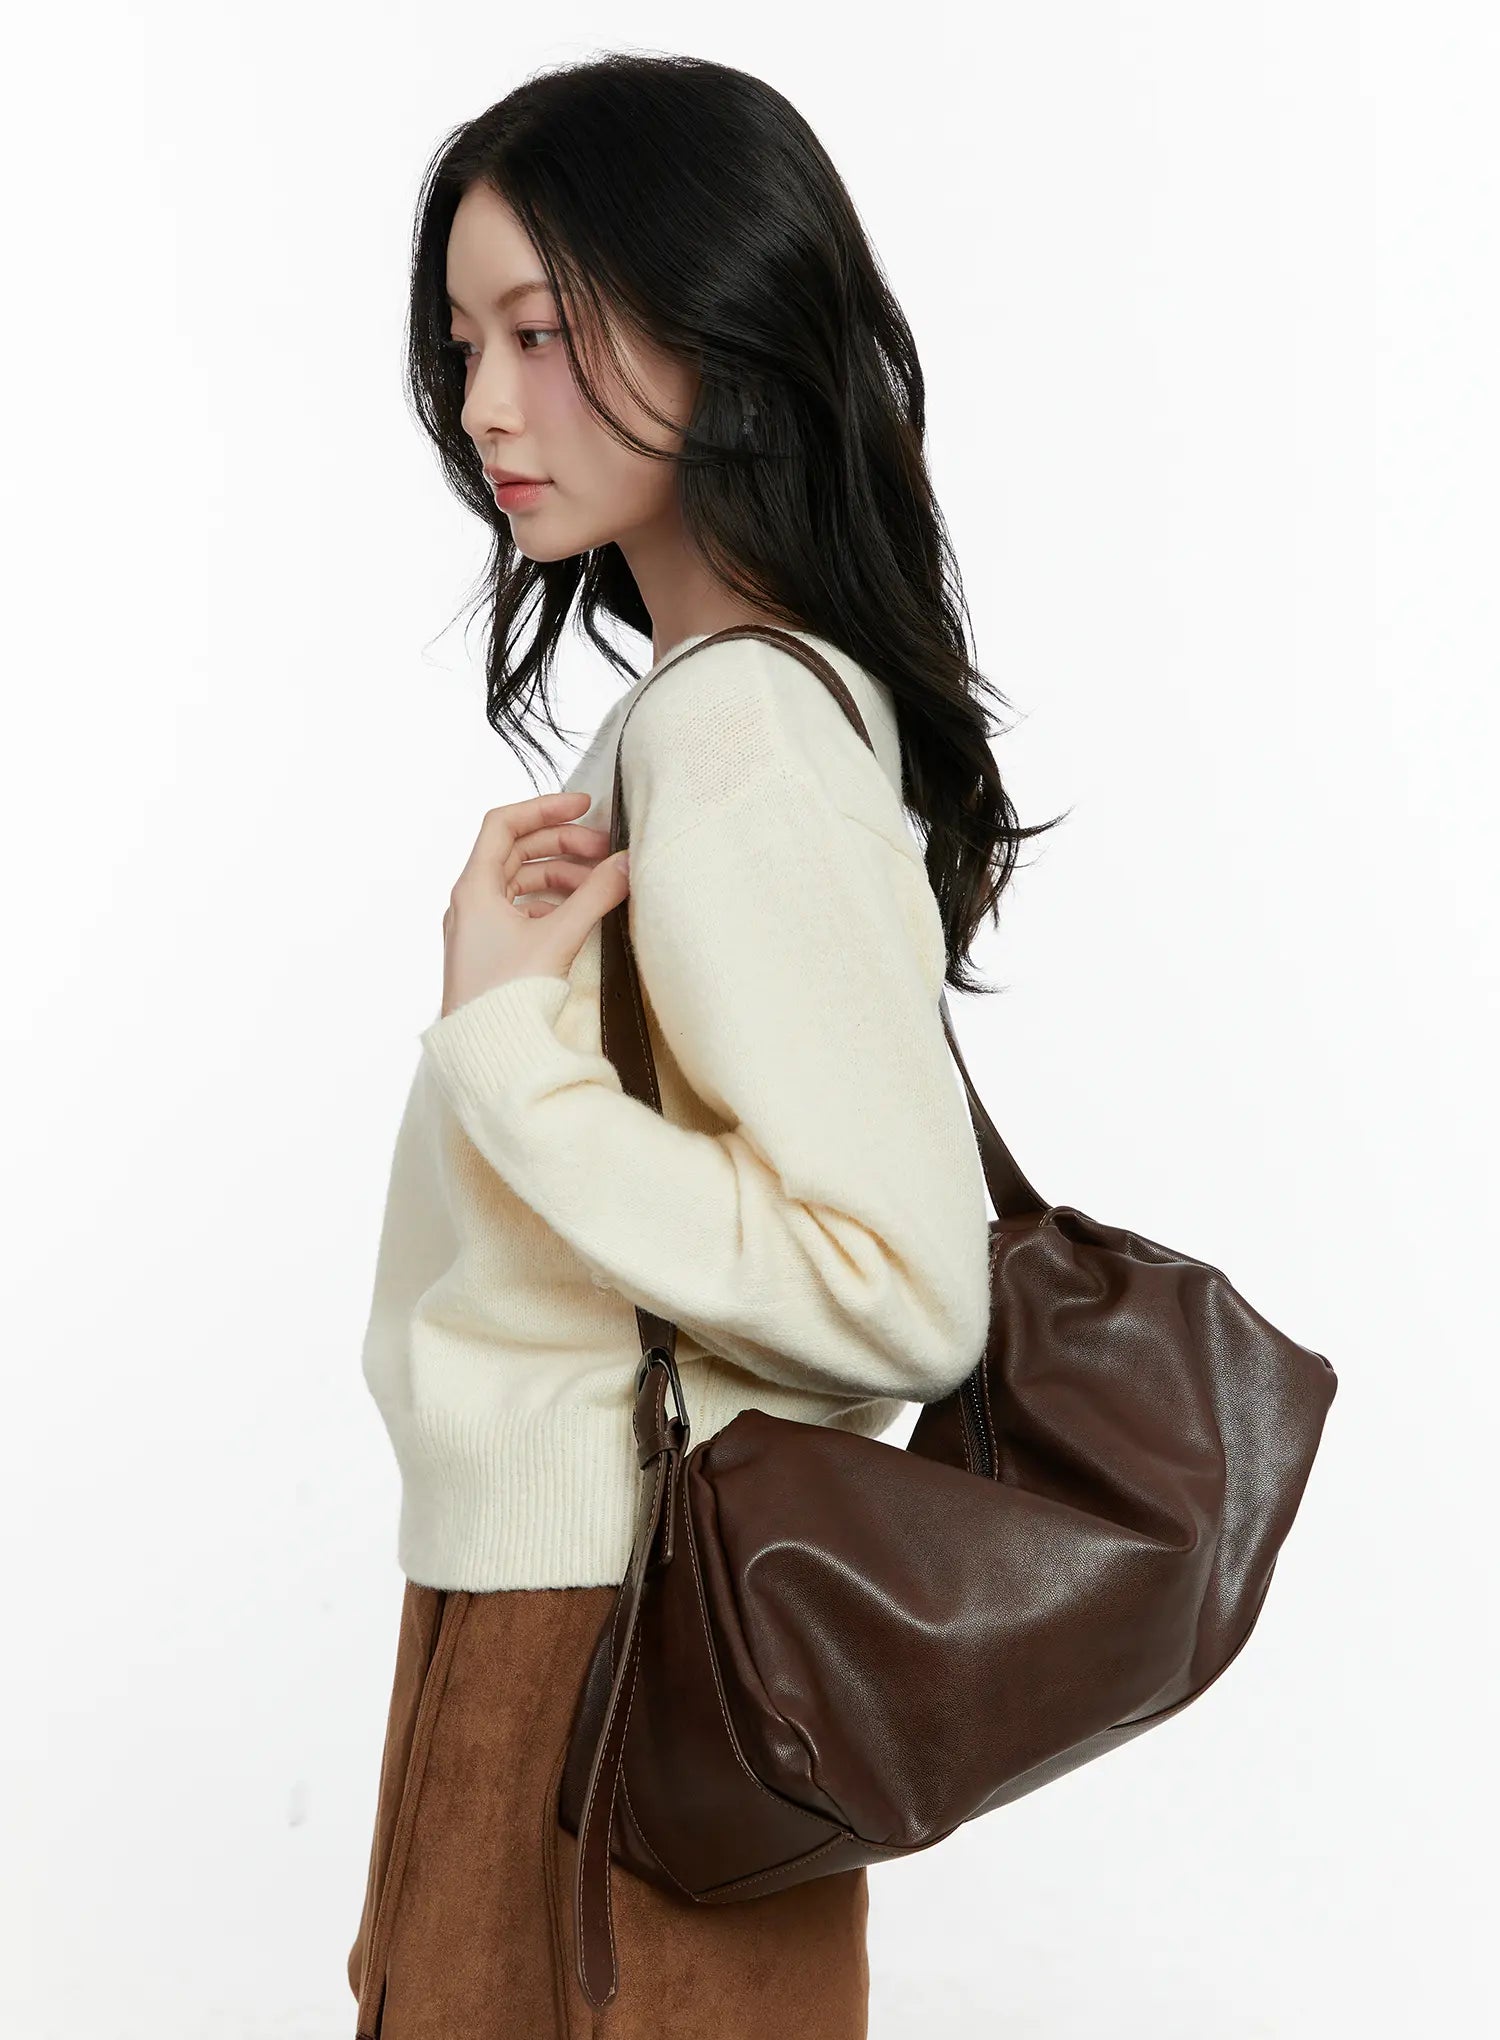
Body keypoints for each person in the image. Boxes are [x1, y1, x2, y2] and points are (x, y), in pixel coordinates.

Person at [346, 50, 1061, 2040]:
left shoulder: (737, 734)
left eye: (545, 334)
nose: (486, 405)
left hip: (614, 1646)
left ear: (723, 330)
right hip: (549, 1620)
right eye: (465, 343)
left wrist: (507, 1044)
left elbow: (901, 1286)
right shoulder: (695, 716)